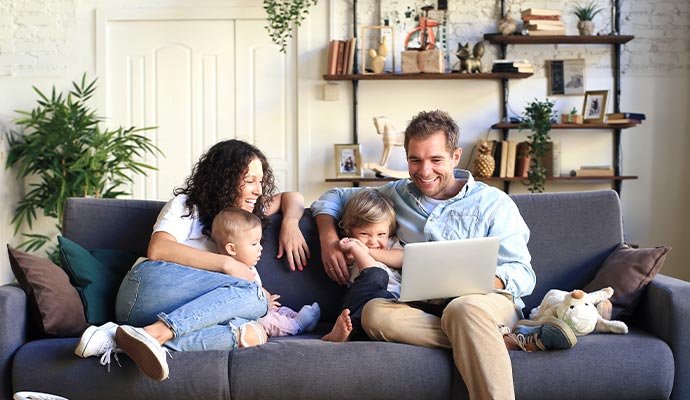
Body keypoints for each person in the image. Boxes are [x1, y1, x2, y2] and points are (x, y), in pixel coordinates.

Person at [311, 110, 576, 400]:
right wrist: (328, 237)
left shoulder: (494, 203)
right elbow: (333, 197)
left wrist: (475, 281)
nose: (424, 171)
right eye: (415, 160)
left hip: (484, 304)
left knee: (462, 310)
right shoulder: (394, 194)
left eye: (436, 160)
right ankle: (501, 340)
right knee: (374, 314)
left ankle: (481, 330)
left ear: (455, 156)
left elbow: (523, 274)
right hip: (418, 307)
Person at [74, 139, 310, 381]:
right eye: (249, 181)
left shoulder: (245, 215)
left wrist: (291, 224)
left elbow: (291, 197)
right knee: (255, 295)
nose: (259, 190)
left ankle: (122, 339)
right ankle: (155, 334)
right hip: (146, 291)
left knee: (253, 332)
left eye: (260, 181)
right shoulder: (188, 206)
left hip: (176, 316)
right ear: (224, 180)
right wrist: (228, 265)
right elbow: (158, 248)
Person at [211, 207, 321, 338]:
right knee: (270, 322)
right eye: (254, 244)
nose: (261, 248)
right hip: (249, 316)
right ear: (232, 249)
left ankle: (303, 319)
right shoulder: (229, 272)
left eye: (259, 242)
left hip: (261, 308)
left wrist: (266, 297)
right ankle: (298, 324)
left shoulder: (248, 266)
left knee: (280, 310)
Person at [321, 189, 402, 342]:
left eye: (381, 234)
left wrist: (366, 250)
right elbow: (372, 271)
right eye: (364, 234)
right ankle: (343, 333)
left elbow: (402, 258)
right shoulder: (348, 248)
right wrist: (357, 249)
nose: (373, 241)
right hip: (364, 303)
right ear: (348, 231)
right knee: (377, 275)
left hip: (393, 303)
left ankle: (354, 334)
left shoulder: (391, 243)